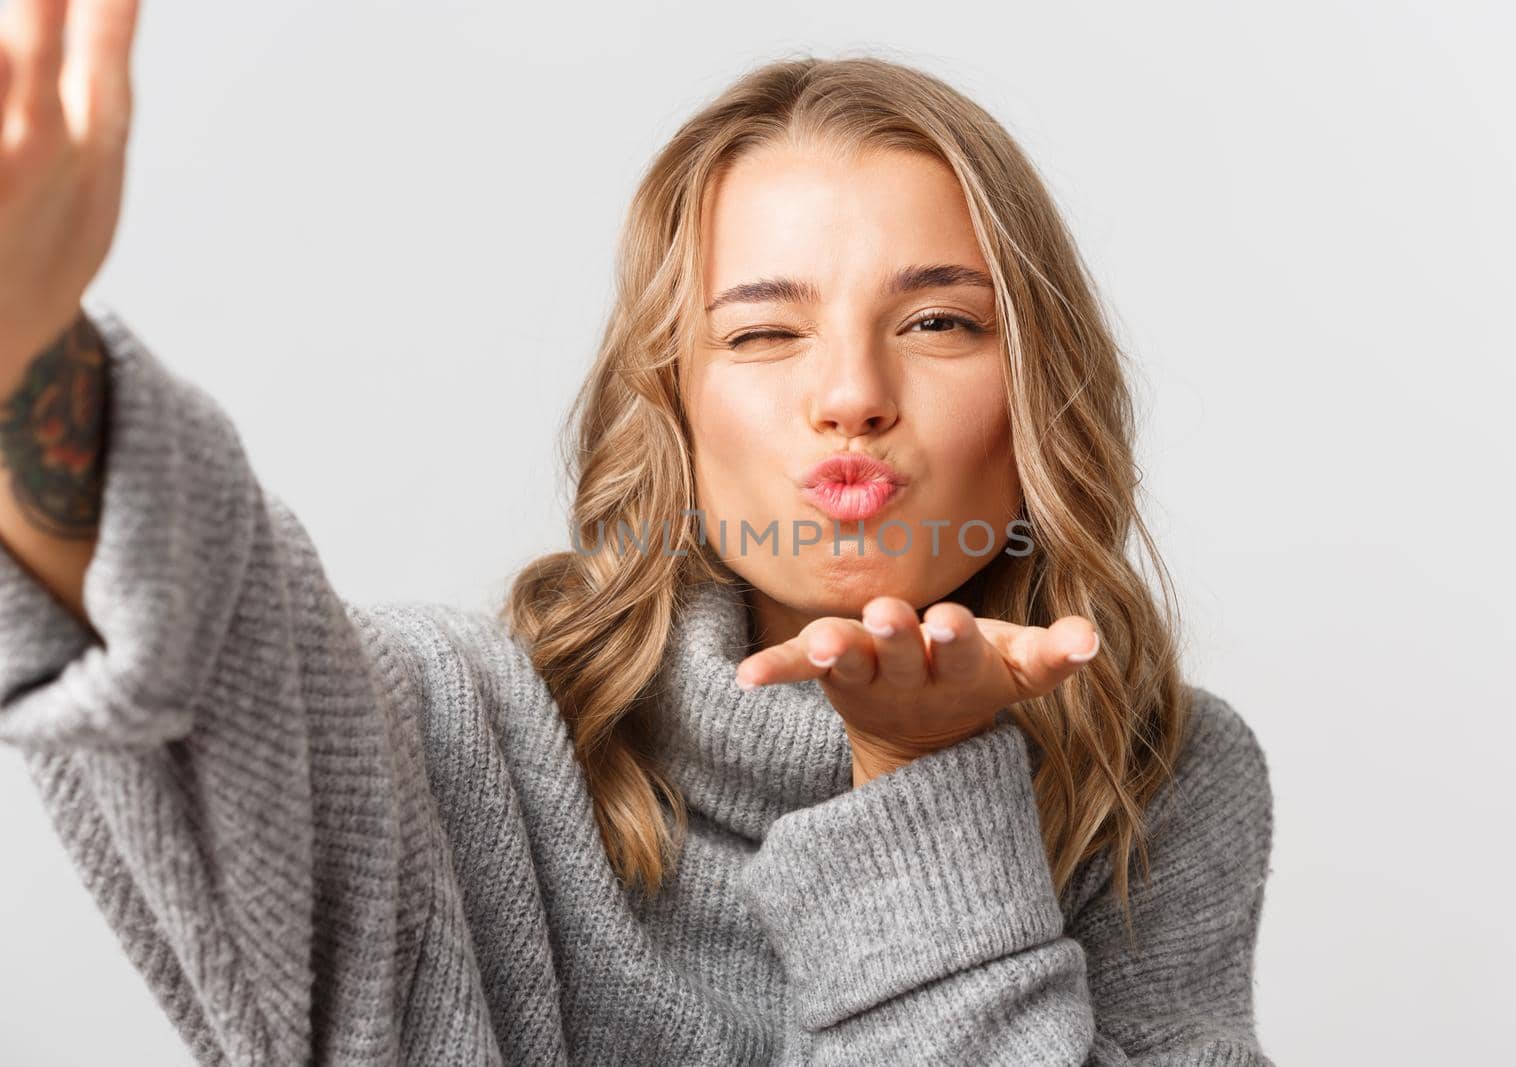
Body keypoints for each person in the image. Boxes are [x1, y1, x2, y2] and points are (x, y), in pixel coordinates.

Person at [0, 1, 1276, 1063]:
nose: (851, 394)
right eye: (763, 332)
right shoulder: (469, 730)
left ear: (1037, 395)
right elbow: (213, 652)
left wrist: (923, 775)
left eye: (939, 321)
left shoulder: (1160, 782)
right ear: (672, 403)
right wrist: (23, 353)